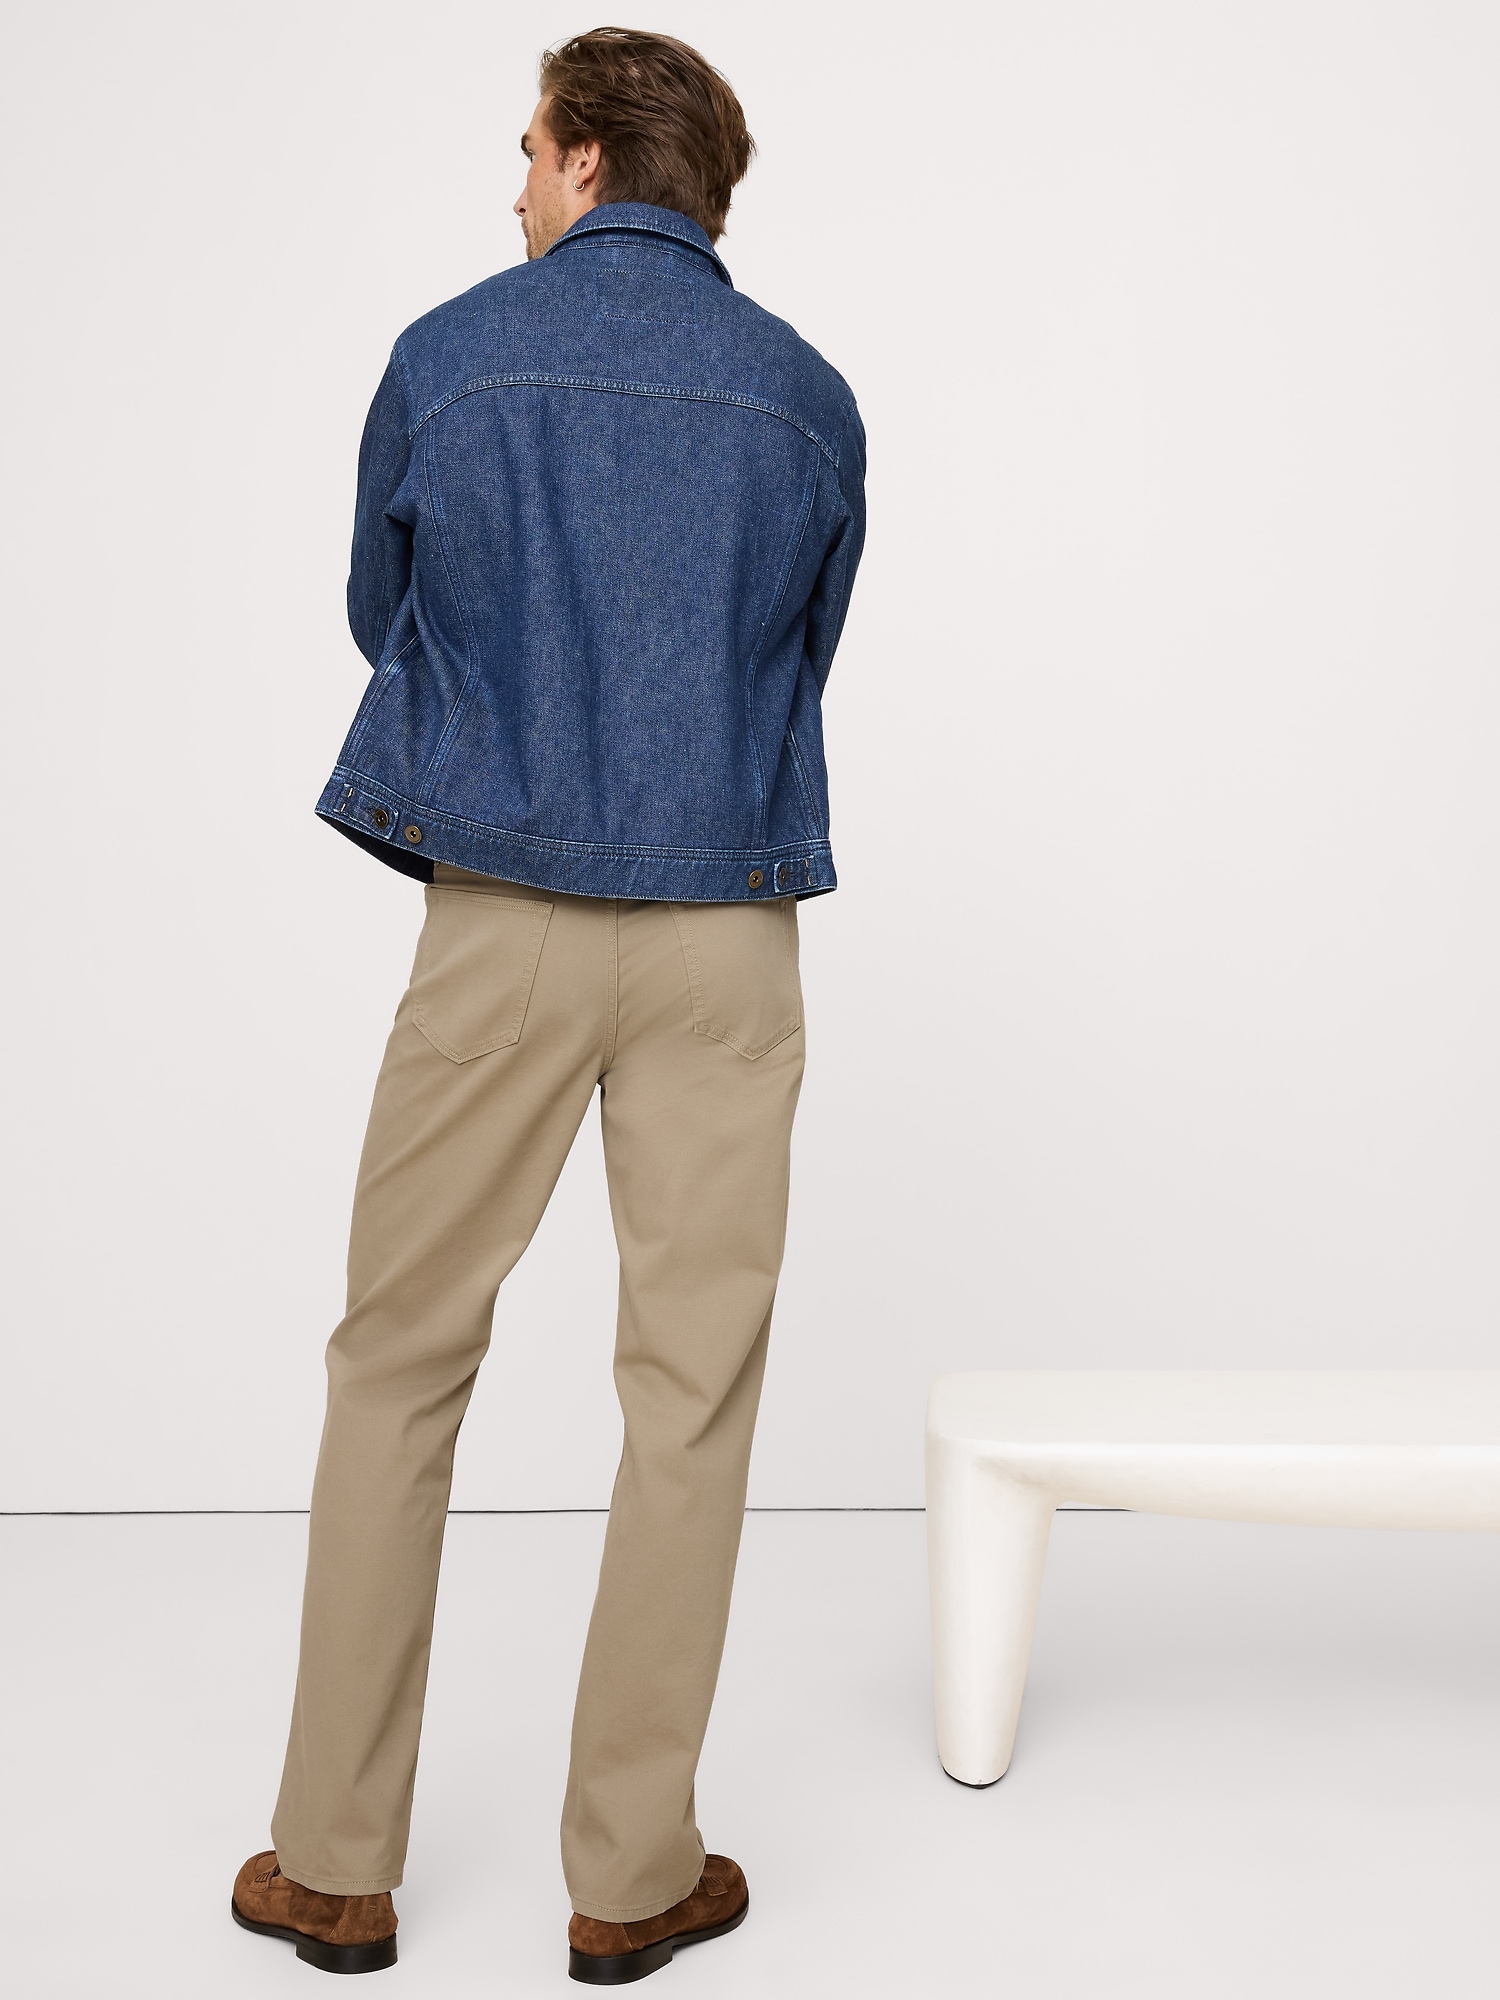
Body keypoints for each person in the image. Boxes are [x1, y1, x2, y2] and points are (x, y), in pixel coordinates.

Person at [230, 24, 865, 1984]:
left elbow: (387, 612)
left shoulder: (452, 355)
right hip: (723, 928)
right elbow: (802, 649)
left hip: (500, 913)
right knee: (693, 1390)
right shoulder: (809, 397)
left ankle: (334, 1863)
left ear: (590, 156)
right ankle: (634, 1870)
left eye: (527, 149)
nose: (512, 184)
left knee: (398, 1361)